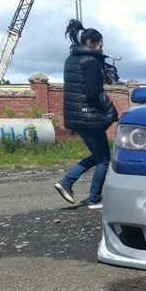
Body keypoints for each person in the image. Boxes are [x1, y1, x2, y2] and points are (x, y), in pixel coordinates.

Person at [54, 19, 118, 210]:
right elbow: (92, 92)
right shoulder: (90, 61)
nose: (101, 49)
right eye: (100, 46)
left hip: (76, 117)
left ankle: (67, 182)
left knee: (98, 155)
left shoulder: (71, 60)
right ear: (90, 43)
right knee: (104, 158)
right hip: (89, 117)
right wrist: (109, 111)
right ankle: (94, 198)